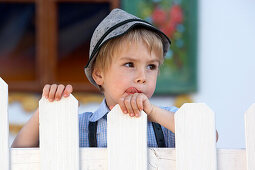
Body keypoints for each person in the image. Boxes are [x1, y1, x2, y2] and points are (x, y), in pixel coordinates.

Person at [11, 8, 218, 148]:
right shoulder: (81, 126)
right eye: (129, 64)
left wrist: (153, 112)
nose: (141, 77)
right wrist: (44, 111)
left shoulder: (169, 121)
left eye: (151, 66)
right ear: (99, 74)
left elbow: (210, 136)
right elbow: (19, 151)